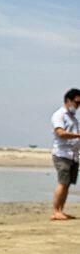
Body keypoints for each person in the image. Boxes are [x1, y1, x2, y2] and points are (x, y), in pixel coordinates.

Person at [50, 88, 80, 220]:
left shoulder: (73, 118)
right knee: (62, 182)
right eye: (76, 102)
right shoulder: (59, 115)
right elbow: (60, 133)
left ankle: (60, 210)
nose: (78, 106)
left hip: (73, 155)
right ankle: (55, 211)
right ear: (68, 100)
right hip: (62, 154)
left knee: (67, 184)